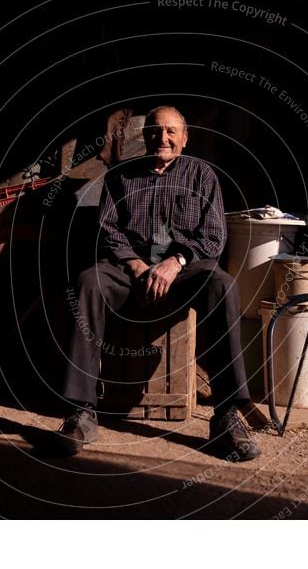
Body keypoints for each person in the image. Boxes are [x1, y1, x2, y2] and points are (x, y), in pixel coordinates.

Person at [57, 106, 260, 461]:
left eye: (170, 131)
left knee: (221, 286)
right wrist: (135, 263)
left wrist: (174, 262)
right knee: (89, 282)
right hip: (128, 271)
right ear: (145, 136)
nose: (161, 138)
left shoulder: (202, 175)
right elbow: (108, 230)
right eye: (154, 131)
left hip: (183, 273)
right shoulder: (121, 177)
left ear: (184, 138)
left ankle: (226, 415)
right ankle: (81, 411)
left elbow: (213, 236)